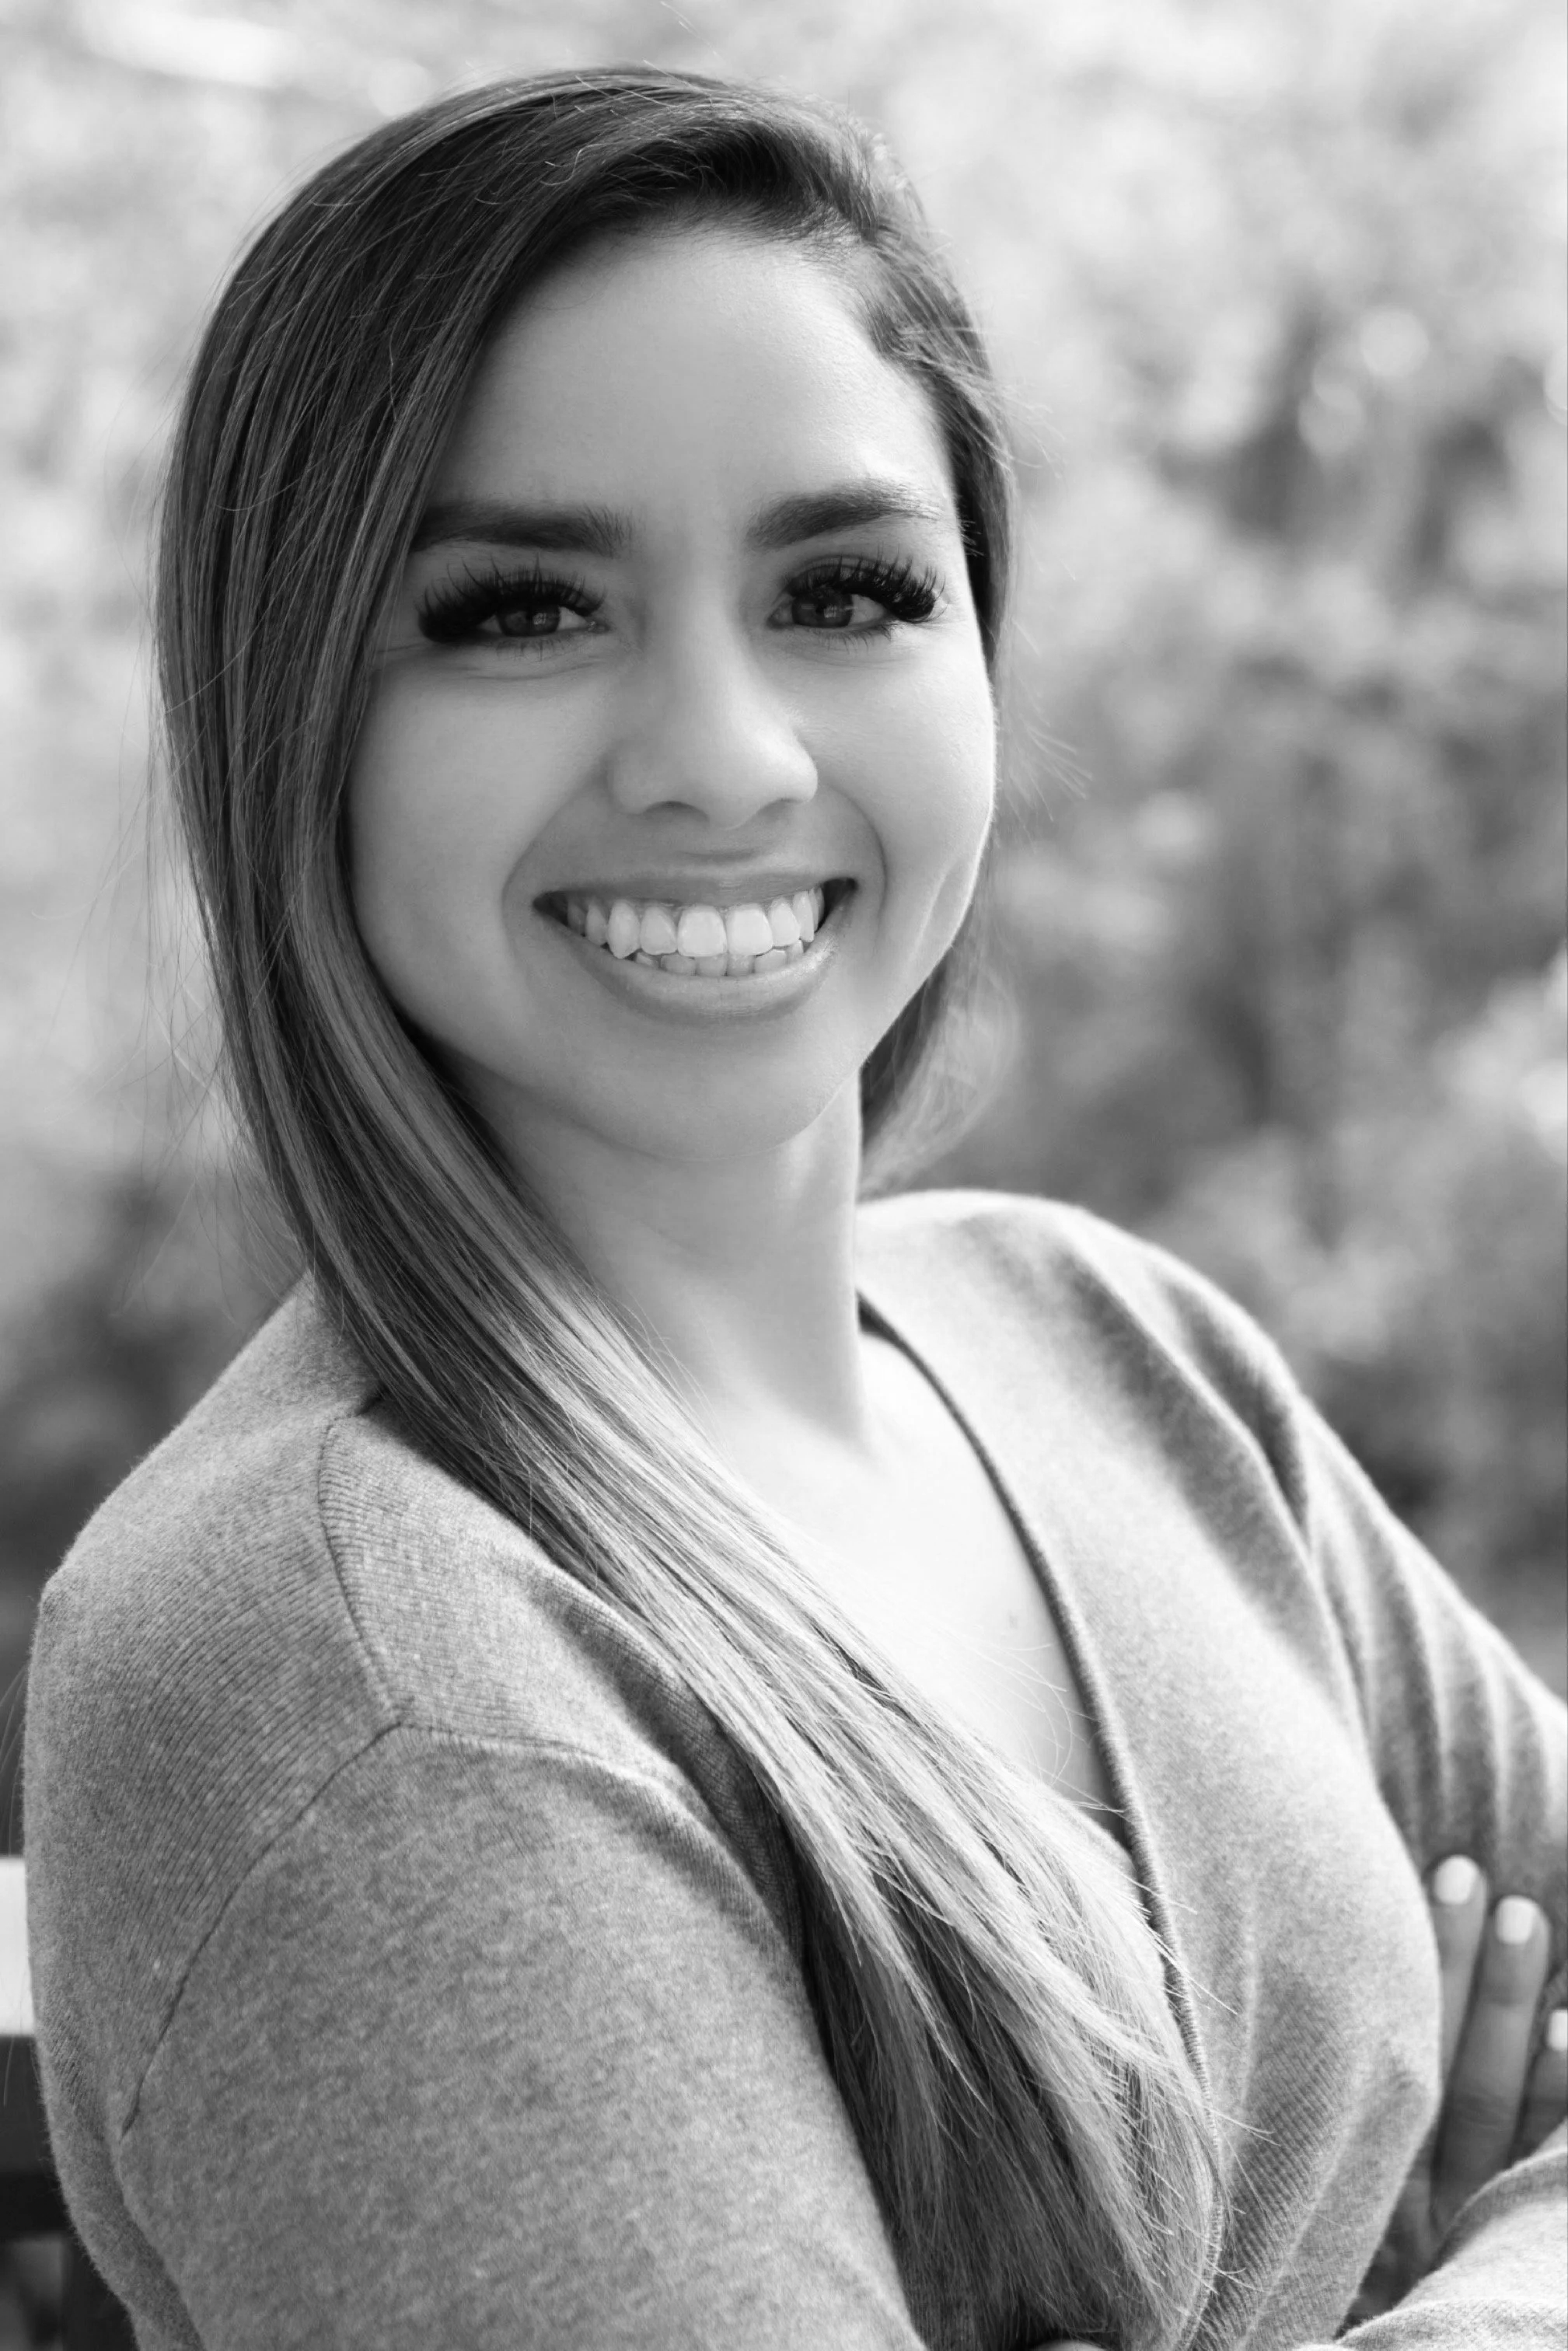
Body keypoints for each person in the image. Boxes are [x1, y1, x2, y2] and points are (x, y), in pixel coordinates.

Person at [20, 67, 1566, 2351]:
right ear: (296, 718)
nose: (727, 756)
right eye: (524, 611)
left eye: (845, 588)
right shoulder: (339, 1677)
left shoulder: (1113, 1357)